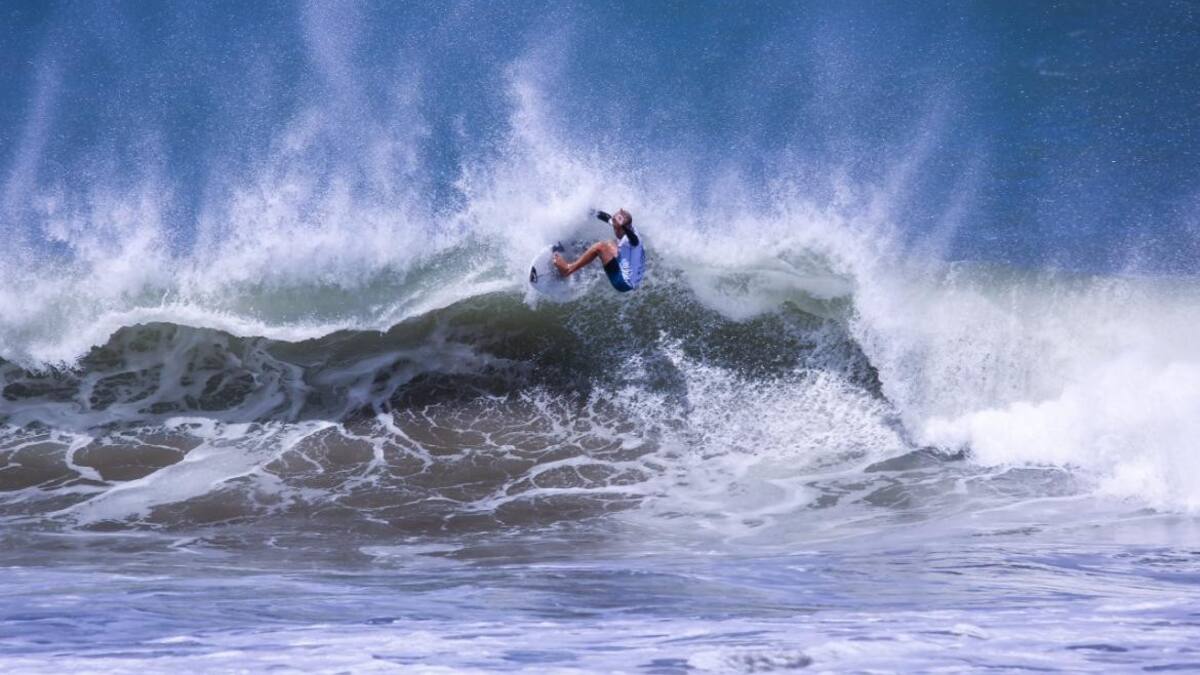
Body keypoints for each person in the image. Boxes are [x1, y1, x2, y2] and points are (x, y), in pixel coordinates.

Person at [553, 208, 645, 292]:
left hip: (623, 283)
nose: (614, 229)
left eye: (616, 227)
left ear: (623, 228)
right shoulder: (627, 227)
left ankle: (568, 270)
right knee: (609, 243)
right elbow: (607, 218)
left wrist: (623, 227)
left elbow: (634, 240)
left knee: (600, 247)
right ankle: (586, 260)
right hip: (633, 279)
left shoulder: (631, 239)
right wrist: (589, 210)